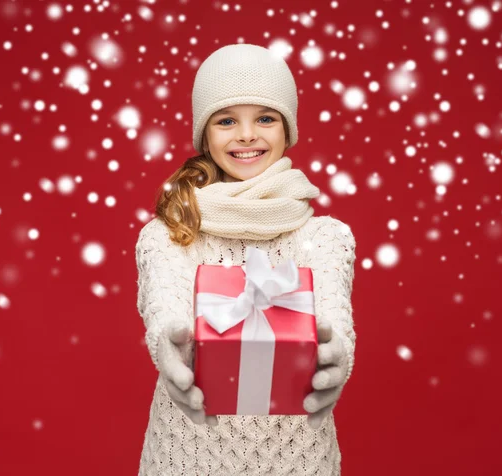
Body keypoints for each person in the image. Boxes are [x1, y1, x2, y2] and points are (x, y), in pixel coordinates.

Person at [135, 43, 357, 475]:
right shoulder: (166, 235)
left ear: (288, 129)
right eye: (226, 120)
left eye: (265, 118)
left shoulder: (326, 236)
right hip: (186, 458)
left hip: (299, 461)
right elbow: (163, 310)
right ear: (204, 134)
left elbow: (336, 320)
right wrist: (167, 344)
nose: (246, 135)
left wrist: (339, 358)